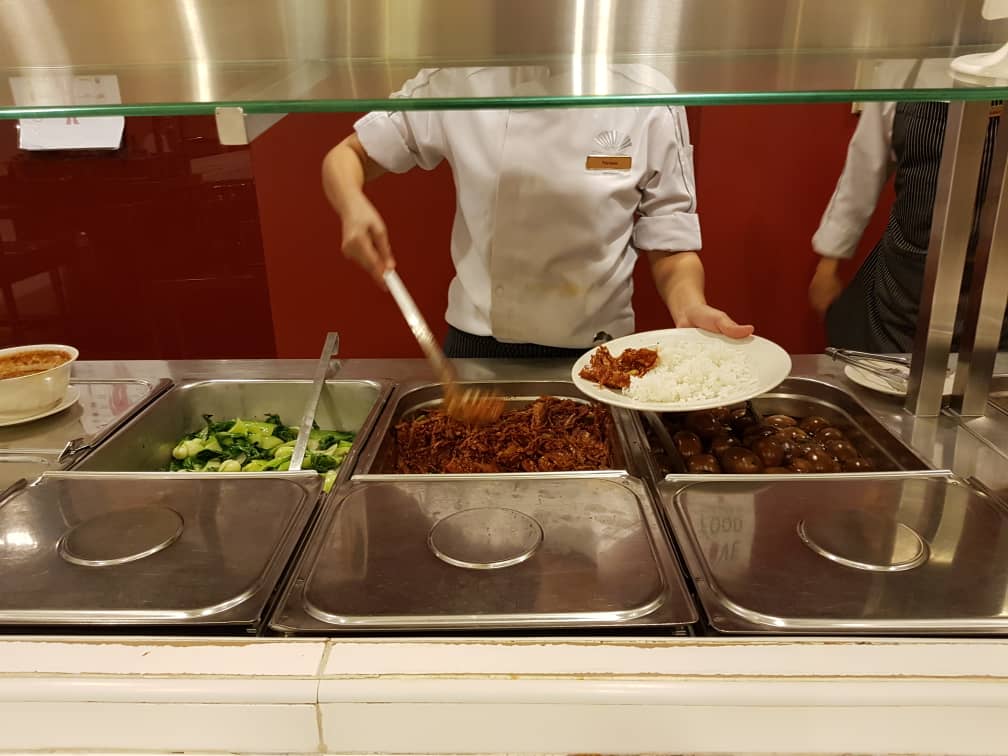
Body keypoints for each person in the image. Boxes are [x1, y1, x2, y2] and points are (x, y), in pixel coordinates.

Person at [322, 66, 752, 359]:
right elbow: (346, 156)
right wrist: (352, 206)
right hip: (477, 346)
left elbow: (670, 244)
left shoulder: (647, 93)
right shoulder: (460, 78)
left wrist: (690, 304)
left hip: (600, 351)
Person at [809, 98, 1006, 352]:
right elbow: (863, 172)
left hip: (998, 283)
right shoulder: (903, 72)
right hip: (906, 281)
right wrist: (829, 262)